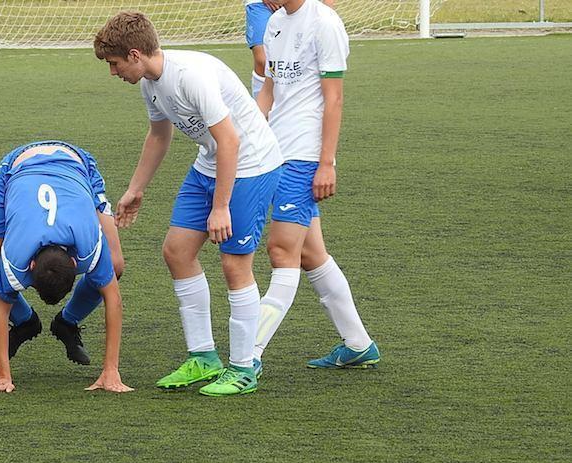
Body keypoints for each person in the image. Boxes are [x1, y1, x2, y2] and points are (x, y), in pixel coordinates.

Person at [94, 12, 283, 396]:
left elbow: (230, 141)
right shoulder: (150, 83)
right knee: (177, 251)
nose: (113, 73)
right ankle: (204, 358)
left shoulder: (189, 76)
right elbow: (159, 136)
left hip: (251, 165)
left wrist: (221, 206)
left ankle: (244, 367)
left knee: (233, 265)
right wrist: (136, 188)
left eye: (114, 64)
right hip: (210, 164)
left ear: (134, 54)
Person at [254, 0, 379, 375]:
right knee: (310, 254)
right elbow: (269, 92)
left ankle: (248, 354)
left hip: (305, 156)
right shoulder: (275, 22)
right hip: (275, 151)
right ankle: (358, 344)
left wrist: (326, 162)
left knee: (281, 251)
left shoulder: (324, 23)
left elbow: (334, 97)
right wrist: (246, 134)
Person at [0, 142, 132, 394]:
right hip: (15, 169)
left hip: (77, 166)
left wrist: (111, 371)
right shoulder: (16, 257)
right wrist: (3, 378)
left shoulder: (89, 240)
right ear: (31, 265)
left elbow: (113, 298)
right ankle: (25, 322)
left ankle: (67, 323)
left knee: (114, 265)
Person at [246, 0, 335, 99]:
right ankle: (262, 109)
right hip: (259, 3)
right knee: (264, 61)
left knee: (299, 60)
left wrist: (327, 11)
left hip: (301, 5)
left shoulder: (326, 20)